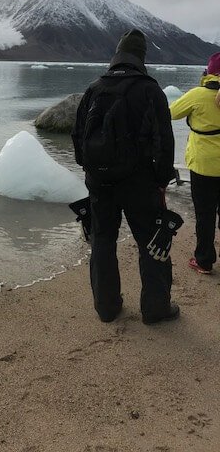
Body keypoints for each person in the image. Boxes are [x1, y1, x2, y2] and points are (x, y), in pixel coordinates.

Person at [72, 29, 178, 324]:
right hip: (140, 183)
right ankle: (155, 309)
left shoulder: (94, 88)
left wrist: (88, 168)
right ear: (141, 57)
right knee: (150, 243)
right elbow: (165, 142)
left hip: (99, 182)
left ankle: (106, 308)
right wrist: (161, 180)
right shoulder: (150, 90)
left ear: (116, 55)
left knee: (103, 240)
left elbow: (78, 135)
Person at [170, 52, 220, 274]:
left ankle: (204, 260)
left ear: (208, 72)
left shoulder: (198, 94)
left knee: (205, 214)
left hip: (203, 166)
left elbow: (171, 113)